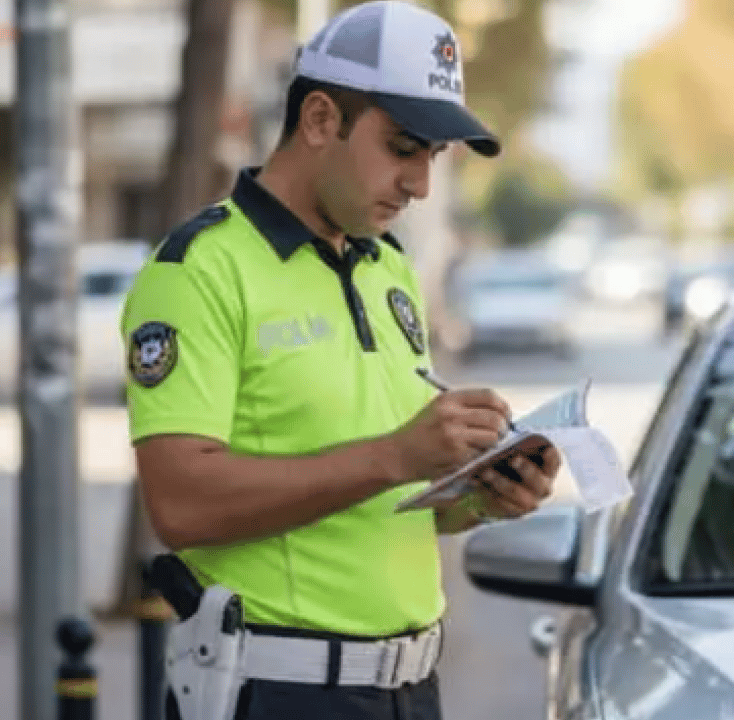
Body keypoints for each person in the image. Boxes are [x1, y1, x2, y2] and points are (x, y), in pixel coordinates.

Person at [121, 2, 561, 718]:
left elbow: (382, 497)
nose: (419, 182)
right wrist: (394, 453)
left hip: (411, 689)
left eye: (433, 157)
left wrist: (479, 496)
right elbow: (179, 503)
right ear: (321, 119)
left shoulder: (387, 267)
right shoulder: (198, 271)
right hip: (277, 692)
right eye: (403, 147)